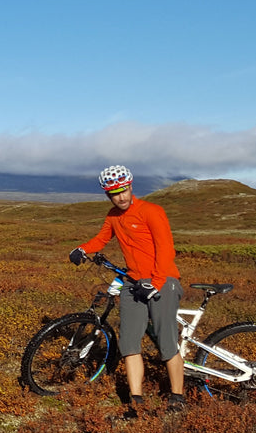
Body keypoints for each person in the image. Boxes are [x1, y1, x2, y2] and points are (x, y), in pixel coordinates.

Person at [68, 165, 185, 418]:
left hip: (162, 281)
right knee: (129, 343)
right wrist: (83, 249)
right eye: (113, 194)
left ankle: (177, 397)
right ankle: (136, 403)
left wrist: (155, 282)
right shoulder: (113, 216)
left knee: (166, 343)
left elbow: (166, 250)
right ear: (108, 195)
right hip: (132, 283)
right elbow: (101, 239)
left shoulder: (152, 212)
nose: (120, 197)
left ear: (131, 186)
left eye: (123, 191)